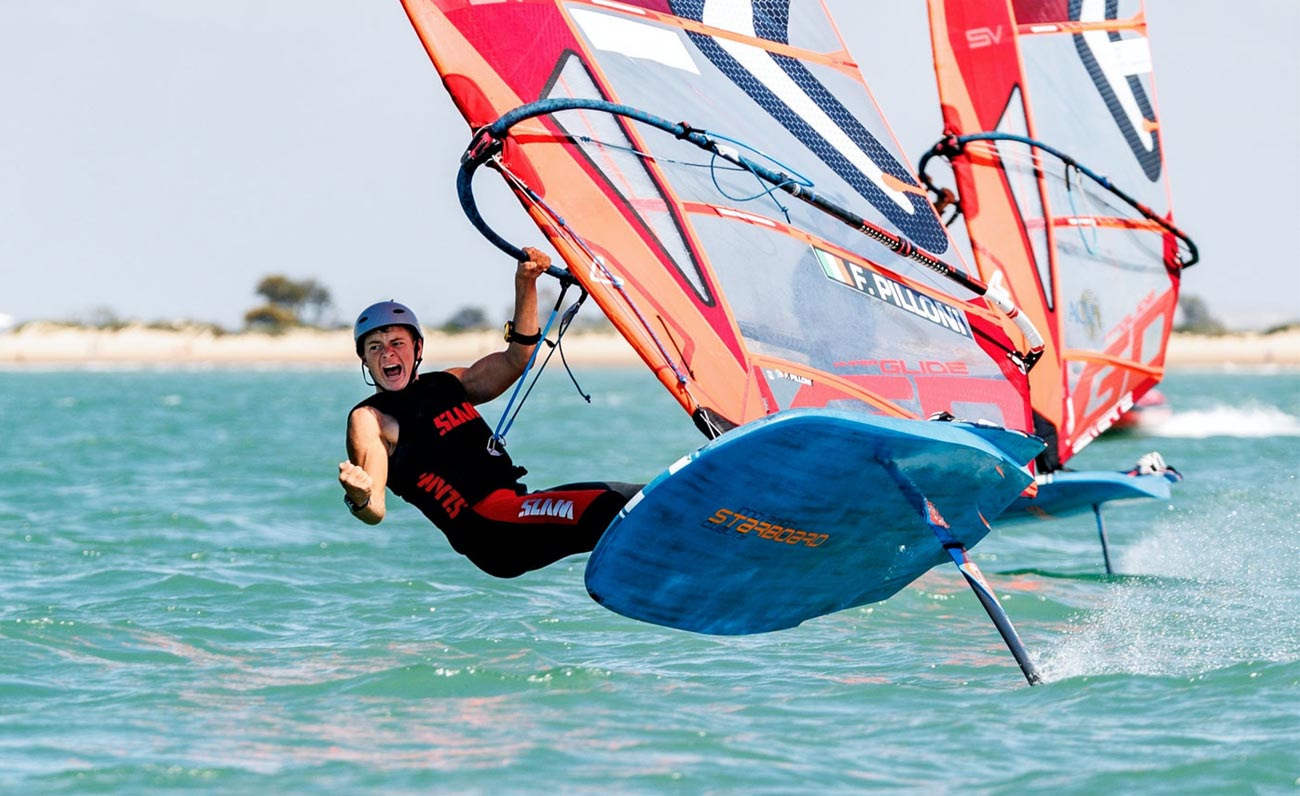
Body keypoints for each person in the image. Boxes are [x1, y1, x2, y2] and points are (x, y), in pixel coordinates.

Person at [338, 247, 641, 578]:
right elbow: (376, 508)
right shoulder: (370, 418)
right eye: (375, 348)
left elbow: (517, 359)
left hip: (515, 507)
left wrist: (525, 282)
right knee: (614, 505)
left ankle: (669, 566)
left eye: (397, 343)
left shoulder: (448, 383)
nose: (387, 354)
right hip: (488, 527)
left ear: (418, 349)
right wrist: (361, 496)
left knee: (630, 501)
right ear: (365, 361)